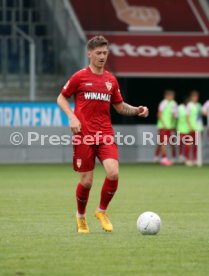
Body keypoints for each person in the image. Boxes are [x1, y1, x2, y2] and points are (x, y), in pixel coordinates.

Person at [57, 36, 149, 233]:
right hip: (84, 135)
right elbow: (61, 98)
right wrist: (72, 117)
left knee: (113, 173)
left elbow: (119, 106)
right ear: (89, 53)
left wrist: (137, 109)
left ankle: (101, 211)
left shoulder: (110, 80)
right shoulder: (79, 77)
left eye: (105, 53)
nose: (102, 56)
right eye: (98, 53)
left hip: (105, 133)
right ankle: (81, 216)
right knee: (87, 181)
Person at [154, 90, 177, 166]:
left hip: (170, 127)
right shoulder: (163, 103)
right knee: (164, 142)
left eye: (172, 96)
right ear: (166, 96)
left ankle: (157, 156)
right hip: (163, 126)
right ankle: (164, 159)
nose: (171, 97)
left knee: (170, 142)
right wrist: (164, 124)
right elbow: (159, 114)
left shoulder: (173, 103)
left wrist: (174, 120)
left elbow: (174, 115)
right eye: (170, 96)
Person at [185, 90, 203, 166]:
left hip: (198, 128)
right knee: (189, 144)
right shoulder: (189, 105)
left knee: (196, 144)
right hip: (191, 128)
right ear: (191, 97)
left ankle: (195, 159)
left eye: (196, 97)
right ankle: (188, 159)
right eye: (194, 96)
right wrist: (190, 126)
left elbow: (200, 116)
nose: (195, 98)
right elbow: (187, 117)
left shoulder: (199, 105)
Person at [176, 97, 190, 163]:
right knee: (181, 143)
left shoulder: (191, 108)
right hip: (180, 128)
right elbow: (176, 117)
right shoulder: (179, 107)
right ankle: (181, 156)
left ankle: (186, 158)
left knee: (187, 144)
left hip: (188, 129)